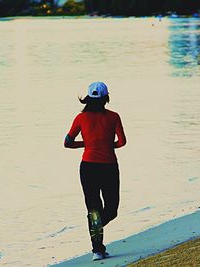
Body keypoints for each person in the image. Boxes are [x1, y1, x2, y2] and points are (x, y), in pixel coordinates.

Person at [64, 81, 127, 261]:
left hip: (88, 167)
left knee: (93, 210)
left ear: (88, 98)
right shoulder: (114, 117)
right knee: (111, 209)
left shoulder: (80, 118)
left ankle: (97, 250)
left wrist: (88, 144)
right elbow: (122, 142)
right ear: (106, 97)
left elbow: (67, 142)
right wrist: (106, 146)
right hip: (109, 167)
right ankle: (98, 246)